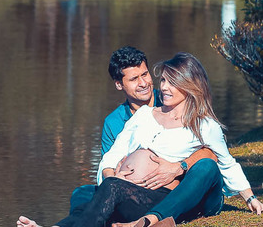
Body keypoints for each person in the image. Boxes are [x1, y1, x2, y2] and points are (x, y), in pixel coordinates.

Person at [18, 52, 263, 227]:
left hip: (172, 195)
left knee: (203, 168)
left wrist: (251, 199)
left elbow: (226, 162)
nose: (163, 87)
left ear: (189, 86)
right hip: (135, 192)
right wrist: (115, 175)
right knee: (94, 191)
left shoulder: (204, 124)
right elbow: (113, 154)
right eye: (163, 80)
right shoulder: (144, 115)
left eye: (171, 82)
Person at [71, 46, 211, 211]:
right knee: (81, 194)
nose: (143, 83)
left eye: (145, 74)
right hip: (129, 190)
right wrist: (113, 179)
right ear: (118, 84)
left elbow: (210, 150)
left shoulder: (173, 100)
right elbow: (108, 164)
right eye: (134, 79)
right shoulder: (113, 122)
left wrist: (179, 167)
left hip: (174, 187)